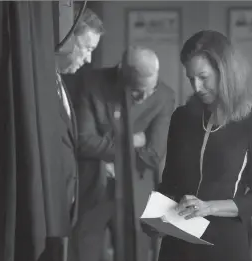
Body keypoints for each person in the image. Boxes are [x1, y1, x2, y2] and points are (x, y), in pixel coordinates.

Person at [146, 30, 252, 261]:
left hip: (225, 243)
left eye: (203, 77)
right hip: (177, 244)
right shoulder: (182, 117)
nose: (196, 86)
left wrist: (208, 207)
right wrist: (155, 216)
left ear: (224, 71)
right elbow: (170, 182)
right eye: (190, 78)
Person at [72, 46, 175, 261]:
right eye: (138, 91)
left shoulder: (164, 97)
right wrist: (133, 140)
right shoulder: (92, 84)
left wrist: (109, 147)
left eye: (150, 90)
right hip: (94, 191)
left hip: (136, 195)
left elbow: (154, 154)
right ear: (121, 74)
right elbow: (84, 141)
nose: (144, 96)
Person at [37, 6, 104, 261]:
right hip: (43, 214)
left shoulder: (61, 83)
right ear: (65, 39)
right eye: (86, 48)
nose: (88, 59)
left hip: (61, 213)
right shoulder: (40, 85)